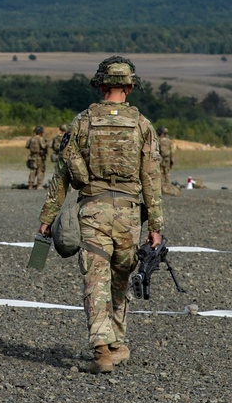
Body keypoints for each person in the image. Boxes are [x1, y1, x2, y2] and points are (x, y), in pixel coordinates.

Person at [38, 57, 163, 374]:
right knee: (121, 279)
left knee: (96, 281)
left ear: (101, 85)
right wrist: (157, 227)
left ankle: (103, 351)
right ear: (130, 87)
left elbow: (62, 176)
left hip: (92, 212)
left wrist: (47, 217)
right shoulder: (143, 125)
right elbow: (152, 179)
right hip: (128, 216)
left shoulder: (81, 122)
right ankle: (116, 342)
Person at [157, 126, 179, 196]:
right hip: (167, 159)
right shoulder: (169, 141)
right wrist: (172, 160)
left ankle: (162, 188)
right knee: (166, 173)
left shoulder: (158, 140)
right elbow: (172, 151)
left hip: (161, 159)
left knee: (161, 173)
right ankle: (167, 188)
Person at [26, 125, 47, 190]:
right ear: (40, 132)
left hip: (32, 157)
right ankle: (39, 185)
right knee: (40, 171)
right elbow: (43, 146)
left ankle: (30, 185)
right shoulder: (40, 139)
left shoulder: (31, 139)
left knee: (32, 171)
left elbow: (27, 146)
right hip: (39, 157)